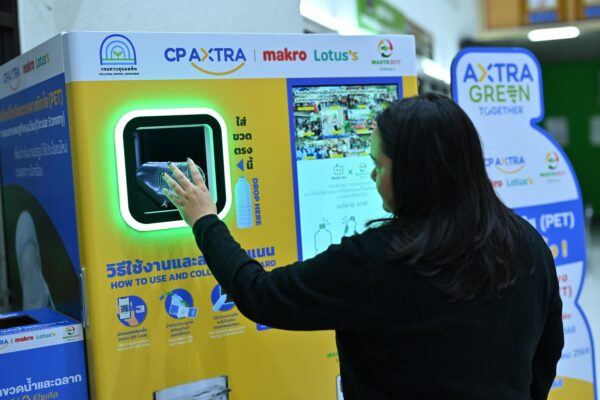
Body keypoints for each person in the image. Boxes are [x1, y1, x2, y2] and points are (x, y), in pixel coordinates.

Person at [162, 93, 563, 400]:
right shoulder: (527, 245)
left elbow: (260, 294)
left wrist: (204, 219)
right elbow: (546, 354)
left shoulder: (380, 259)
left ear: (413, 174)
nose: (372, 176)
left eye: (379, 164)